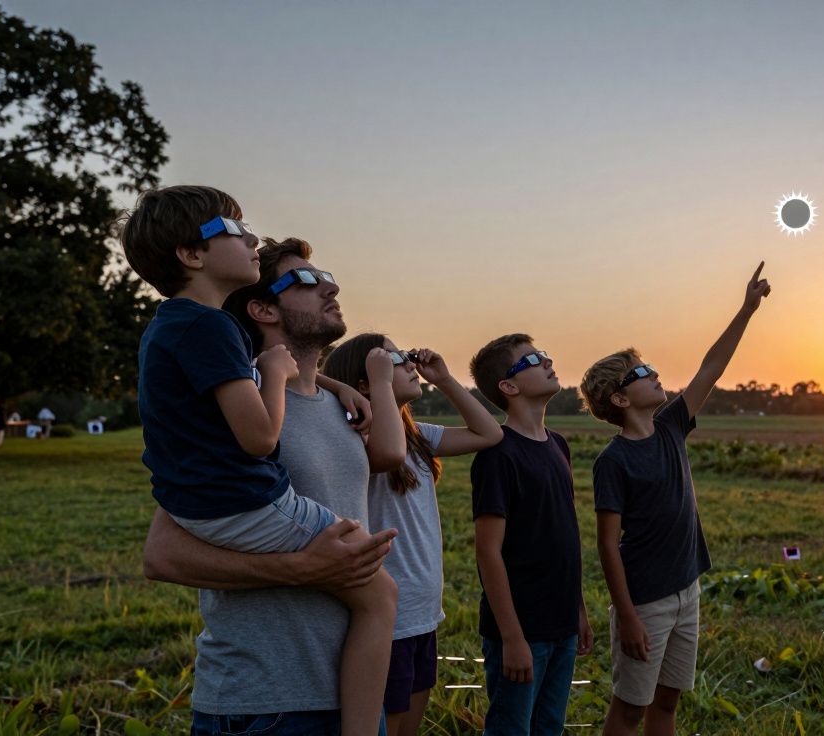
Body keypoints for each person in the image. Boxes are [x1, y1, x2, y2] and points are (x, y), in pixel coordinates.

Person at [123, 187, 398, 736]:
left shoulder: (327, 401)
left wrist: (338, 384)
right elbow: (163, 555)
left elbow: (388, 455)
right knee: (380, 594)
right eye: (304, 280)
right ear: (262, 308)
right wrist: (301, 570)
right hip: (266, 703)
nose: (331, 286)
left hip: (346, 699)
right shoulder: (232, 388)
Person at [579, 262, 772, 736]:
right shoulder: (613, 460)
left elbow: (711, 366)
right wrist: (627, 617)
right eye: (641, 373)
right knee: (629, 708)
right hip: (645, 602)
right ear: (620, 401)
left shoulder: (671, 426)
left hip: (688, 590)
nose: (654, 373)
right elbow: (607, 545)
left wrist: (746, 310)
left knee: (666, 704)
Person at [321, 334, 503, 736]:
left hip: (422, 614)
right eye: (394, 358)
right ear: (366, 380)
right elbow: (381, 452)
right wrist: (377, 385)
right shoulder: (359, 438)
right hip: (387, 618)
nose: (408, 364)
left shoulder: (418, 436)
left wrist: (445, 380)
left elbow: (489, 433)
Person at [468, 334, 593, 735]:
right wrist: (512, 638)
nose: (547, 361)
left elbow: (564, 535)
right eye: (534, 360)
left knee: (549, 726)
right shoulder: (498, 454)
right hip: (521, 631)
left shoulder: (557, 444)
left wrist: (579, 609)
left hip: (561, 622)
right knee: (511, 728)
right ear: (509, 386)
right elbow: (489, 552)